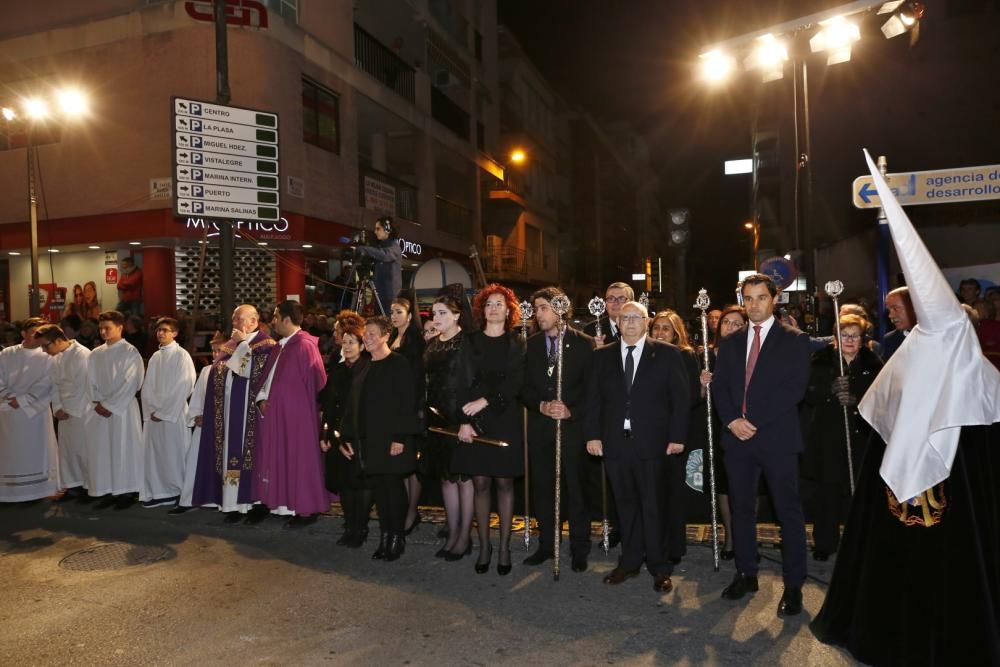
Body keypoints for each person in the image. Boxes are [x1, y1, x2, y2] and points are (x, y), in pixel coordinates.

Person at [812, 151, 1000, 665]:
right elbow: (884, 418)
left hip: (957, 524)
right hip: (898, 514)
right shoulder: (911, 354)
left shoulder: (980, 383)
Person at [711, 273, 812, 616]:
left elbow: (794, 390)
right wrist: (731, 421)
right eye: (749, 298)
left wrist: (751, 421)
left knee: (788, 512)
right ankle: (746, 572)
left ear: (774, 300)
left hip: (777, 439)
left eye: (761, 298)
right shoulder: (731, 342)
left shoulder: (795, 340)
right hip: (737, 441)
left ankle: (794, 584)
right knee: (740, 510)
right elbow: (720, 387)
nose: (754, 304)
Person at [585, 301, 690, 593]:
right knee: (625, 505)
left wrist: (678, 437)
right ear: (617, 322)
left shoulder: (667, 354)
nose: (629, 322)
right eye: (624, 317)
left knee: (654, 505)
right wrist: (592, 436)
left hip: (654, 444)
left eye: (636, 317)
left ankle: (659, 566)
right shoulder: (602, 356)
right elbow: (593, 399)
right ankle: (629, 562)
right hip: (616, 443)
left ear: (646, 322)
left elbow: (680, 400)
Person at [520, 287, 596, 571]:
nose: (538, 314)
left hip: (573, 430)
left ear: (561, 309)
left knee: (576, 489)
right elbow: (523, 387)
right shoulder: (531, 344)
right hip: (541, 429)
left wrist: (571, 411)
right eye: (536, 308)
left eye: (543, 308)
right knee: (543, 489)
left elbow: (592, 391)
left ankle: (579, 548)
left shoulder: (585, 344)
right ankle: (547, 545)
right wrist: (539, 405)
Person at [451, 284, 525, 575]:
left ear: (509, 311)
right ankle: (484, 545)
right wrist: (464, 420)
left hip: (504, 417)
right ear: (482, 310)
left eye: (499, 304)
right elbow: (459, 382)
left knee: (505, 483)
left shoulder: (517, 343)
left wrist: (485, 401)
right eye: (489, 304)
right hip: (474, 419)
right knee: (480, 483)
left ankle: (504, 547)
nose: (494, 309)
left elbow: (515, 383)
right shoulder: (469, 342)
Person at [800, 314, 882, 560]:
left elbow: (882, 398)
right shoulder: (821, 361)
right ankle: (825, 543)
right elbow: (808, 394)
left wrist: (856, 400)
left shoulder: (873, 363)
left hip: (861, 436)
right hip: (828, 436)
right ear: (835, 338)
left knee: (858, 492)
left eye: (854, 336)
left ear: (863, 340)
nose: (849, 340)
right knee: (828, 493)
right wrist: (829, 390)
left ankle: (859, 541)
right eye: (844, 335)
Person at [340, 316, 419, 561]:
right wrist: (347, 437)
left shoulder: (399, 363)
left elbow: (408, 402)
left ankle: (397, 538)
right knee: (380, 492)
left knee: (393, 490)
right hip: (369, 440)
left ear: (386, 336)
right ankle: (385, 537)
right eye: (367, 334)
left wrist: (400, 437)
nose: (368, 338)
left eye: (374, 334)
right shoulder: (364, 365)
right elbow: (353, 405)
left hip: (394, 439)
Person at [191, 305, 278, 522]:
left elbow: (251, 372)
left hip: (252, 416)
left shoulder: (266, 346)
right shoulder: (230, 345)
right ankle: (232, 504)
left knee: (253, 458)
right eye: (234, 319)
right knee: (229, 455)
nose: (235, 324)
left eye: (239, 319)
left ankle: (256, 504)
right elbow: (217, 374)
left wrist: (241, 344)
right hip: (228, 415)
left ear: (253, 322)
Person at [253, 300, 330, 528]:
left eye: (276, 317)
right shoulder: (281, 346)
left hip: (299, 419)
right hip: (279, 415)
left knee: (300, 462)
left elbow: (318, 383)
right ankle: (287, 505)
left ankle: (307, 509)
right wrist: (262, 399)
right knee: (284, 460)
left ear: (287, 319)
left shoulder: (304, 345)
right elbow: (269, 379)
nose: (273, 321)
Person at [649, 309, 701, 565]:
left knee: (672, 492)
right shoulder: (647, 353)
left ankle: (674, 547)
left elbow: (689, 396)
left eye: (665, 329)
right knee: (652, 491)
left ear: (676, 332)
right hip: (648, 433)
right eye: (656, 328)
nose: (660, 332)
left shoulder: (684, 355)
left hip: (672, 433)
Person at [423, 296, 473, 559]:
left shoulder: (467, 342)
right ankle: (452, 533)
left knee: (463, 479)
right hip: (437, 419)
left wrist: (468, 421)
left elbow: (471, 382)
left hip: (461, 417)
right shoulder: (432, 344)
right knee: (445, 477)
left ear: (456, 315)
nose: (436, 318)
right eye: (434, 313)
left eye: (442, 313)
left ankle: (465, 537)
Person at [700, 305, 749, 559]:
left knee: (751, 484)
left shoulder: (753, 352)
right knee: (724, 484)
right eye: (727, 323)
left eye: (737, 323)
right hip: (719, 425)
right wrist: (702, 384)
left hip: (748, 424)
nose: (731, 327)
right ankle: (730, 536)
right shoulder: (708, 355)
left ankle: (747, 537)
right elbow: (698, 399)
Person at [86, 310, 145, 509]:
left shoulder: (130, 352)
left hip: (123, 409)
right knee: (104, 450)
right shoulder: (95, 354)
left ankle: (127, 491)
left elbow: (132, 381)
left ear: (120, 328)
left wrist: (110, 405)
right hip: (101, 408)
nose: (103, 332)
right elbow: (90, 381)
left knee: (124, 448)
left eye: (107, 328)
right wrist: (97, 402)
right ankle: (108, 489)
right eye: (101, 328)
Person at [320, 318, 371, 546]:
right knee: (344, 484)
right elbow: (329, 407)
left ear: (362, 345)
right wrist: (326, 435)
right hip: (338, 434)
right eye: (345, 342)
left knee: (360, 485)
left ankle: (360, 527)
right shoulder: (338, 370)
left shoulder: (368, 369)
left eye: (353, 342)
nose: (348, 346)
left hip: (360, 436)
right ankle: (350, 526)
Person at [0, 318, 59, 502]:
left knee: (37, 450)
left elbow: (48, 381)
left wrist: (23, 400)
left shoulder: (48, 356)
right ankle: (10, 492)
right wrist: (9, 396)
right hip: (9, 412)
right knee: (10, 453)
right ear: (23, 334)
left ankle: (39, 490)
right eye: (34, 332)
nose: (37, 336)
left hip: (35, 413)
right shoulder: (7, 354)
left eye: (41, 333)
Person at [139, 317, 196, 508]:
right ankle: (161, 490)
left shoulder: (182, 355)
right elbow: (147, 387)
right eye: (158, 330)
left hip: (173, 414)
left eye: (165, 330)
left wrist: (163, 411)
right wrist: (151, 409)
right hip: (155, 414)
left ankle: (180, 491)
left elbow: (184, 385)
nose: (161, 333)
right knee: (157, 455)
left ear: (175, 333)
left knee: (175, 453)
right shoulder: (156, 356)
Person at [171, 331, 227, 515]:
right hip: (204, 426)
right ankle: (189, 499)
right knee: (195, 461)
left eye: (219, 350)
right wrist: (196, 415)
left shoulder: (232, 371)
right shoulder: (206, 371)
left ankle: (220, 500)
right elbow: (197, 398)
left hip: (223, 427)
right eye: (213, 350)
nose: (215, 354)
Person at [37, 324, 92, 501]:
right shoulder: (56, 357)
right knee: (67, 452)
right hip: (65, 412)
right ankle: (73, 486)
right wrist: (58, 408)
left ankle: (88, 487)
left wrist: (67, 409)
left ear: (59, 340)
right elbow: (54, 385)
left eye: (46, 346)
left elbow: (83, 386)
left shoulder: (81, 354)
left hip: (81, 411)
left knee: (84, 451)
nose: (44, 350)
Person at [387, 297, 426, 534]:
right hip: (391, 409)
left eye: (399, 312)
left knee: (413, 465)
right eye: (392, 312)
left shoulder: (415, 342)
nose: (394, 316)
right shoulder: (390, 338)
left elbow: (417, 380)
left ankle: (412, 511)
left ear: (410, 316)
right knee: (400, 464)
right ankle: (404, 509)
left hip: (410, 408)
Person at [353, 216, 402, 315]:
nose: (375, 231)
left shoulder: (394, 247)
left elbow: (384, 255)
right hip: (380, 294)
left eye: (378, 228)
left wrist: (364, 249)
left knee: (387, 325)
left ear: (388, 229)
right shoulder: (380, 247)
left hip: (389, 297)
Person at [881, 287, 914, 361]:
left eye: (895, 309)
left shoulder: (938, 336)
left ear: (913, 306)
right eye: (889, 310)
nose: (890, 315)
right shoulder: (890, 340)